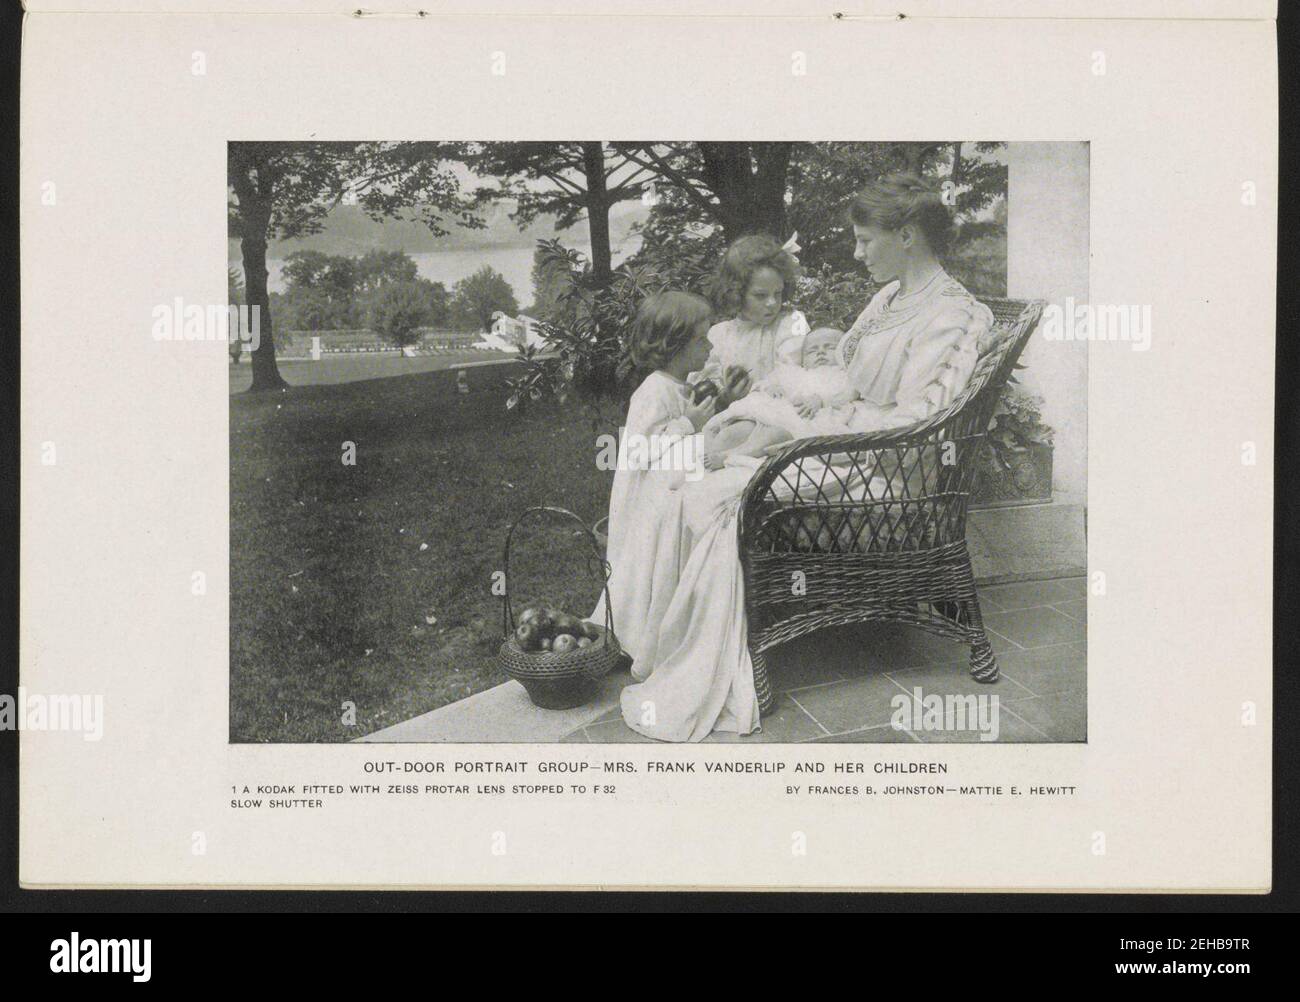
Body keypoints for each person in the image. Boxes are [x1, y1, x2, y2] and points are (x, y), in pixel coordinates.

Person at [620, 174, 993, 742]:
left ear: (909, 235)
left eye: (866, 240)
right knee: (696, 472)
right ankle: (657, 639)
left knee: (710, 495)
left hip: (887, 473)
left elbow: (920, 423)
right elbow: (842, 380)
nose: (857, 251)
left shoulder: (953, 314)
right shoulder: (888, 297)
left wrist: (795, 432)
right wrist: (786, 406)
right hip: (842, 443)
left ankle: (706, 654)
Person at [589, 291, 717, 666]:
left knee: (662, 566)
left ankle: (663, 629)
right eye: (702, 340)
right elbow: (640, 452)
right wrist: (687, 423)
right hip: (646, 497)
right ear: (674, 345)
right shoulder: (653, 389)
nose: (710, 346)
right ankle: (634, 637)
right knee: (641, 569)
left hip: (668, 491)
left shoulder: (679, 385)